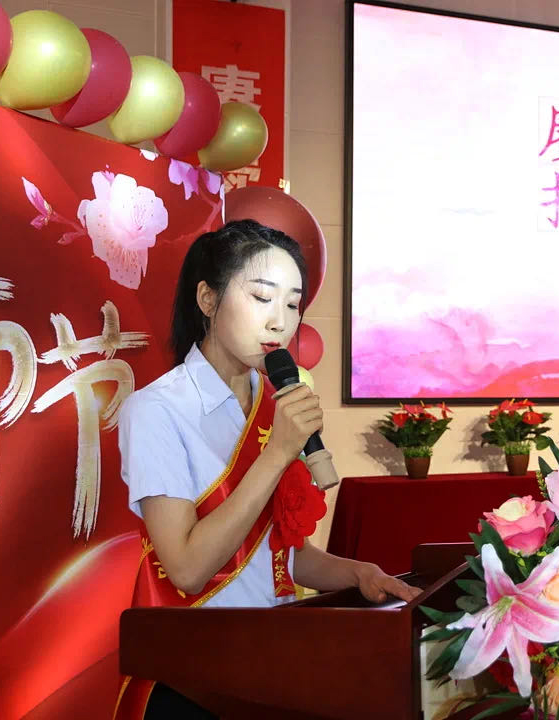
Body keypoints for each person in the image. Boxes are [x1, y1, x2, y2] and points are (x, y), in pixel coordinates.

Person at [112, 219, 419, 720]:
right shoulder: (157, 411)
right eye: (261, 297)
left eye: (293, 304)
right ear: (207, 299)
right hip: (194, 677)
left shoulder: (274, 400)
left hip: (271, 662)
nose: (280, 322)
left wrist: (358, 573)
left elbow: (277, 556)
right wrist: (277, 453)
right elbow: (187, 569)